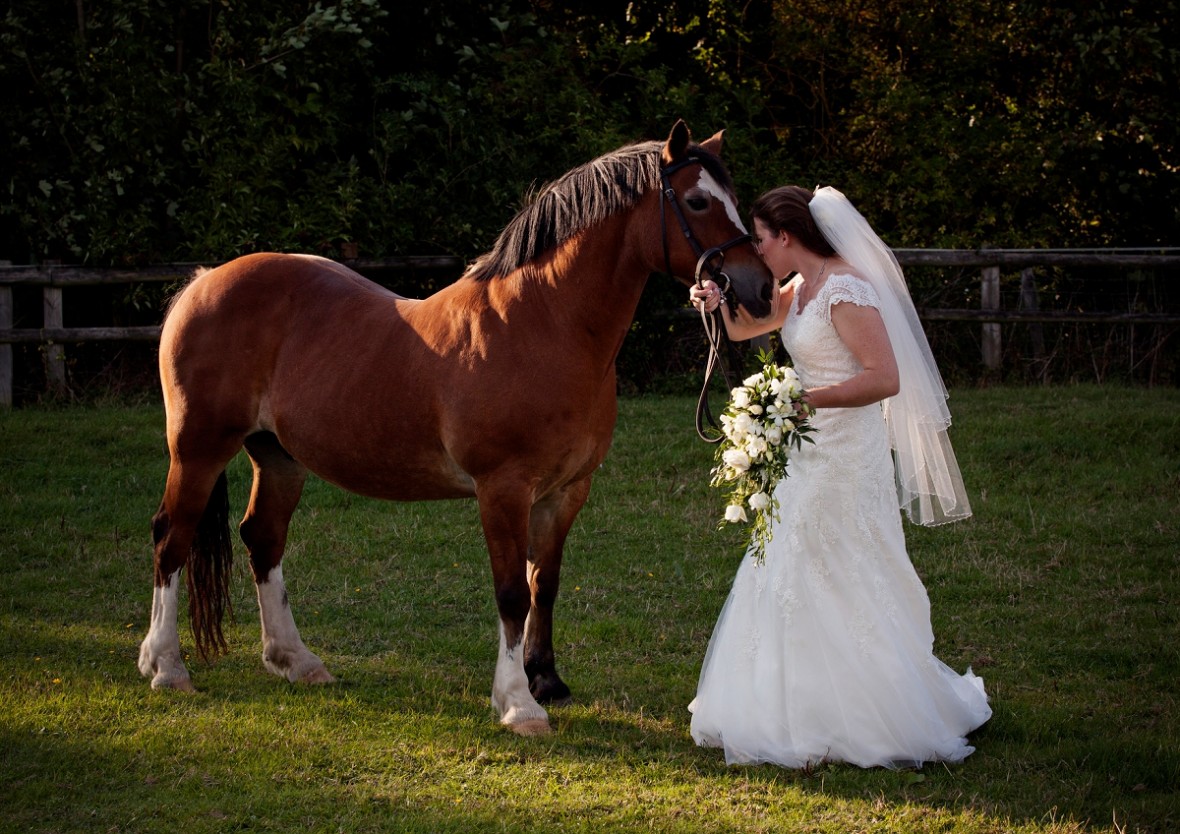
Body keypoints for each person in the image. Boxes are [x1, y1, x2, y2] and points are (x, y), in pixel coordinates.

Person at [686, 185, 991, 769]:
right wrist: (716, 298)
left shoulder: (848, 287)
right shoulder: (800, 286)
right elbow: (749, 330)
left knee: (840, 559)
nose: (756, 248)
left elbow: (884, 378)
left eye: (760, 237)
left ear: (786, 236)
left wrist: (804, 401)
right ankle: (792, 703)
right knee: (789, 558)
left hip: (848, 453)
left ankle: (872, 708)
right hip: (809, 450)